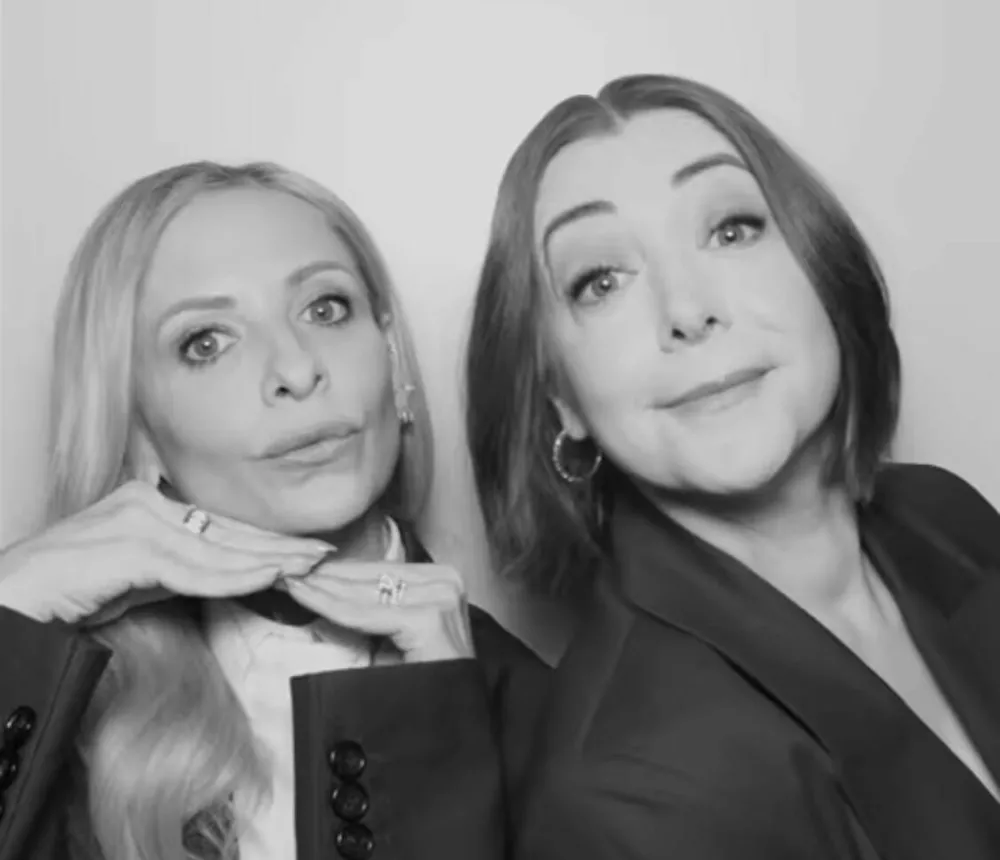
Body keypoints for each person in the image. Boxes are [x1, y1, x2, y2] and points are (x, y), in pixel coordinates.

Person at [465, 73, 1000, 859]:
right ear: (562, 398)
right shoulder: (623, 796)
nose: (687, 310)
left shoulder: (944, 515)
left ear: (823, 270)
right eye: (600, 282)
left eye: (731, 229)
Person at [0, 160, 547, 860]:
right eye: (206, 342)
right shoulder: (68, 713)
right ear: (138, 436)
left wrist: (431, 729)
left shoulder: (546, 714)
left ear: (391, 358)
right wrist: (12, 604)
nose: (295, 369)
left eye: (325, 308)